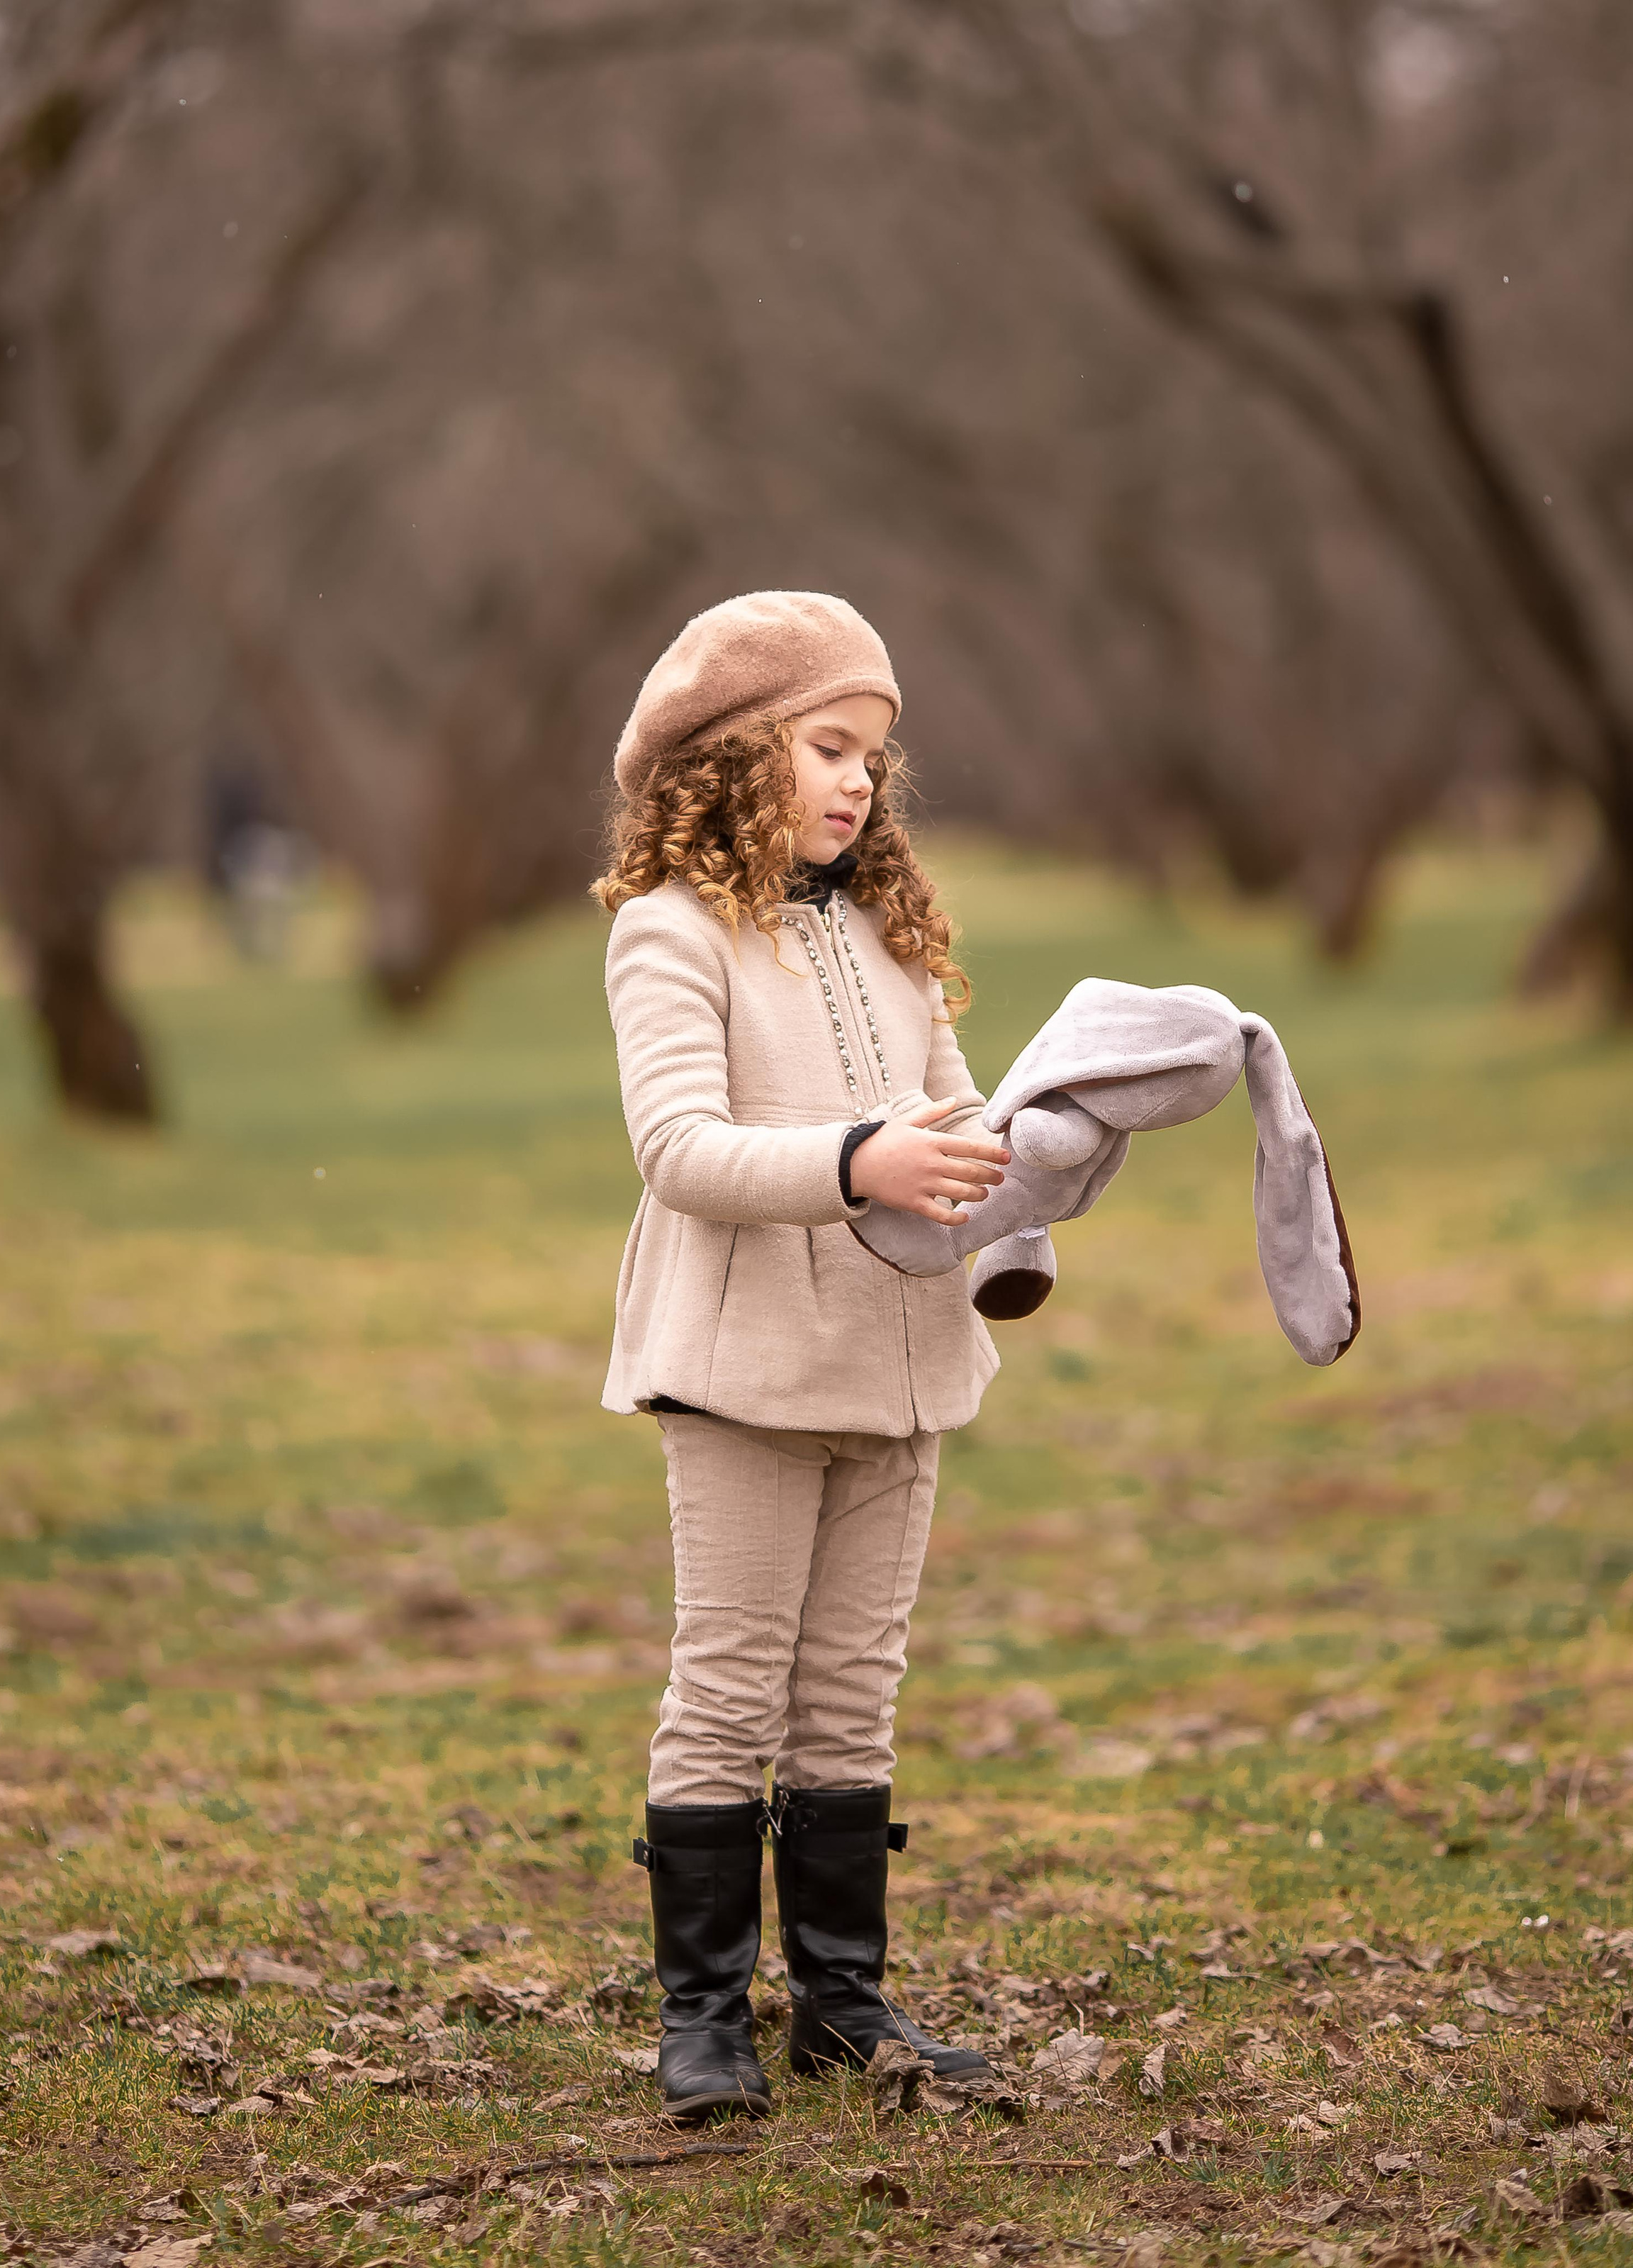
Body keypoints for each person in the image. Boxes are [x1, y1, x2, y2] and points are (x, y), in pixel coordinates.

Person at [592, 592, 1011, 2121]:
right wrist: (858, 1160)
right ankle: (701, 2016)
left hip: (899, 1363)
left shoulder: (889, 931)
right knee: (728, 1685)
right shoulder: (670, 928)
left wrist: (1054, 1145)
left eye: (872, 758)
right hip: (744, 1372)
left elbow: (957, 1122)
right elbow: (680, 1148)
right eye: (825, 746)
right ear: (727, 755)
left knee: (851, 1689)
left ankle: (840, 1998)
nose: (854, 782)